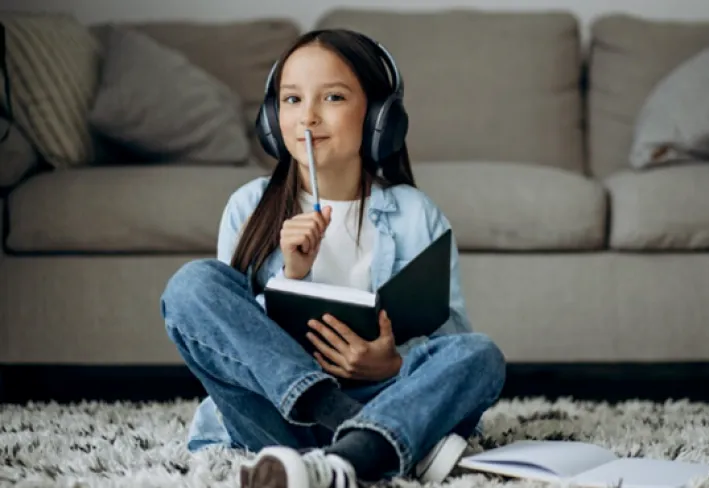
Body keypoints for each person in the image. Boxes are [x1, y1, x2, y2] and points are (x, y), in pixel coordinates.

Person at [160, 28, 506, 488]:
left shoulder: (416, 215)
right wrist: (291, 275)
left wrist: (394, 366)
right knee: (191, 284)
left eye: (334, 98)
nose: (308, 117)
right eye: (292, 100)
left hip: (387, 395)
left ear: (380, 117)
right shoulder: (248, 206)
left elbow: (452, 339)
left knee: (482, 355)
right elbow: (232, 344)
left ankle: (343, 460)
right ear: (270, 117)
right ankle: (360, 432)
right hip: (278, 417)